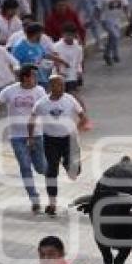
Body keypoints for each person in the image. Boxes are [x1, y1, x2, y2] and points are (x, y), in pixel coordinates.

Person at [0, 66, 49, 213]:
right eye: (33, 76)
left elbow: (45, 107)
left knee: (41, 167)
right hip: (16, 136)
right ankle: (34, 198)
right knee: (24, 166)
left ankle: (52, 167)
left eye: (36, 76)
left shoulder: (40, 91)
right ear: (24, 77)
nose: (35, 79)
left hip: (36, 134)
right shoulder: (10, 90)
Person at [29, 76, 87, 216]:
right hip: (50, 141)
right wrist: (30, 137)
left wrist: (78, 128)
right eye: (58, 85)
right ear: (51, 86)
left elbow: (82, 116)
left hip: (69, 140)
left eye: (62, 85)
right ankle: (52, 203)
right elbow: (32, 118)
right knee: (51, 172)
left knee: (74, 172)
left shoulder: (69, 100)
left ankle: (69, 163)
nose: (61, 88)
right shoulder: (42, 103)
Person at [97, 0, 130, 66]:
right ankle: (115, 54)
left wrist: (128, 16)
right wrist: (97, 19)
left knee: (114, 37)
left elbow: (126, 6)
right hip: (106, 20)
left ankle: (107, 54)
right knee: (115, 36)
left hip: (117, 19)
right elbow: (98, 8)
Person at [53, 25, 85, 94]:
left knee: (72, 94)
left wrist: (79, 71)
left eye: (71, 35)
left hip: (72, 76)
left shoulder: (78, 47)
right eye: (67, 35)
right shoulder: (56, 46)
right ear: (63, 34)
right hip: (59, 76)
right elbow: (55, 61)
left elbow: (79, 61)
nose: (69, 37)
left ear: (74, 35)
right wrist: (59, 71)